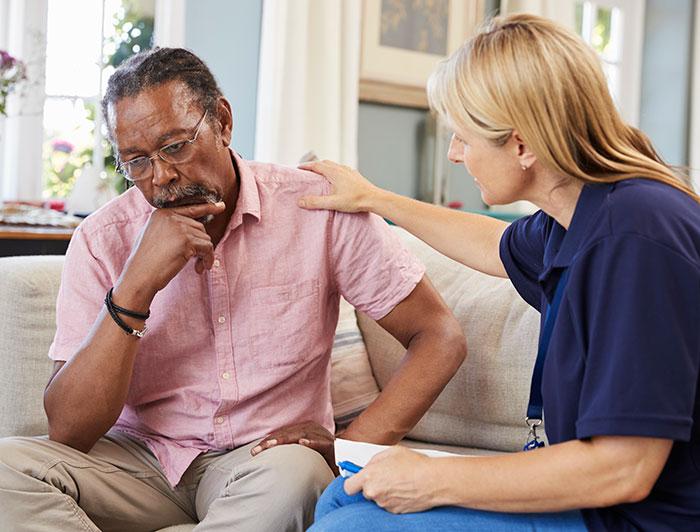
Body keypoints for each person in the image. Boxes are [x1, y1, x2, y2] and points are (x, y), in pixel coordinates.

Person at [0, 48, 467, 532]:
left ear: (222, 121)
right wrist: (135, 287)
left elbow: (438, 336)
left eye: (175, 146)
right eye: (136, 162)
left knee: (297, 476)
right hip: (138, 463)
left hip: (264, 461)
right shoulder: (102, 239)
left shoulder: (318, 209)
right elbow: (69, 432)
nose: (160, 178)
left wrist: (351, 444)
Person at [301, 13, 700, 532]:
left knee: (347, 527)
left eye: (463, 137)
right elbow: (496, 245)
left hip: (636, 518)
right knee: (340, 496)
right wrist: (373, 198)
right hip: (597, 503)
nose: (454, 153)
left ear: (521, 145)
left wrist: (430, 478)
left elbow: (623, 469)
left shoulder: (636, 239)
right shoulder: (579, 212)